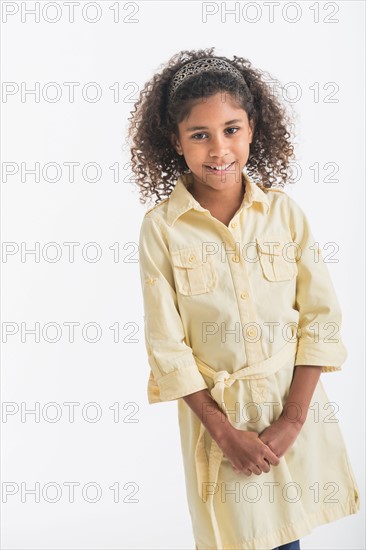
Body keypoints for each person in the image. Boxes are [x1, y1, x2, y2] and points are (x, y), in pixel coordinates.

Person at [128, 48, 360, 550]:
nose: (219, 149)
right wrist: (224, 432)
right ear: (175, 141)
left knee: (285, 537)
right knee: (240, 537)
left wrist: (291, 422)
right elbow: (168, 347)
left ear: (252, 128)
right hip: (221, 423)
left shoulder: (285, 215)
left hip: (291, 408)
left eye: (231, 129)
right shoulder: (162, 230)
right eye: (200, 135)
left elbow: (320, 320)